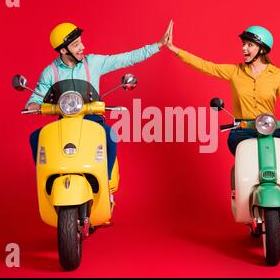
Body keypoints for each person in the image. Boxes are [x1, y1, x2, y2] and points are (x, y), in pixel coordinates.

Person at [26, 21, 172, 179]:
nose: (82, 47)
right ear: (63, 50)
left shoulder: (93, 62)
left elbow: (125, 58)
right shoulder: (50, 72)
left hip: (92, 119)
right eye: (76, 45)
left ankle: (105, 180)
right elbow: (36, 96)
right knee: (36, 138)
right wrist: (33, 105)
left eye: (80, 42)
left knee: (110, 136)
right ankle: (48, 180)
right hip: (65, 122)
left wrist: (158, 45)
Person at [165, 21, 280, 155]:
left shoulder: (278, 75)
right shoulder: (235, 72)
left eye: (250, 45)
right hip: (242, 130)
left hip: (270, 129)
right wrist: (174, 48)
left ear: (262, 50)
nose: (244, 48)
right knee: (247, 157)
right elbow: (205, 66)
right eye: (244, 44)